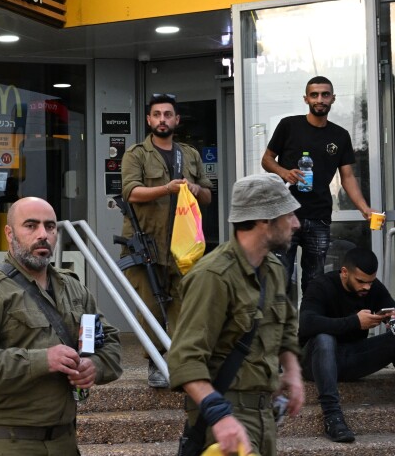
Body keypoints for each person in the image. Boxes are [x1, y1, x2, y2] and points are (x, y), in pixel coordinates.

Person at [0, 197, 122, 456]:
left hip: (65, 439)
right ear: (10, 233)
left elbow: (107, 342)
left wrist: (93, 367)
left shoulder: (74, 289)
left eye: (50, 227)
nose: (43, 234)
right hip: (10, 441)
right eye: (31, 226)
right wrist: (42, 361)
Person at [168, 173, 305, 456]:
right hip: (225, 413)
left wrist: (292, 372)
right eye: (288, 215)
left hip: (264, 413)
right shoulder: (213, 276)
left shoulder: (274, 270)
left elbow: (287, 328)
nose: (296, 223)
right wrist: (220, 416)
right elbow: (184, 358)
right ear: (264, 220)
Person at [119, 92, 212, 388]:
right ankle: (156, 365)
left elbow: (209, 195)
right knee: (150, 308)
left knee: (185, 307)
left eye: (168, 114)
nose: (162, 120)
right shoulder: (136, 153)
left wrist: (195, 189)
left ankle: (184, 363)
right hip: (146, 243)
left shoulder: (190, 154)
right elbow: (130, 193)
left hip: (184, 245)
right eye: (157, 115)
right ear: (149, 120)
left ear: (176, 120)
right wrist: (167, 189)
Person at [262, 76, 375, 296]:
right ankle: (279, 330)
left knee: (315, 281)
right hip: (285, 214)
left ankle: (309, 329)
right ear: (306, 99)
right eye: (314, 95)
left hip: (319, 216)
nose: (320, 99)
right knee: (279, 278)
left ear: (333, 98)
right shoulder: (289, 125)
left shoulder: (340, 136)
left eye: (325, 94)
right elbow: (267, 160)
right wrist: (284, 172)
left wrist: (364, 208)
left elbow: (348, 177)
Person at [298, 246, 395, 443]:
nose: (366, 287)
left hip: (351, 360)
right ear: (344, 272)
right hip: (314, 361)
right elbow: (307, 323)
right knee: (324, 338)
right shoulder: (321, 286)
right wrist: (354, 322)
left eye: (370, 282)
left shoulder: (372, 287)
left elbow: (390, 307)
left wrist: (391, 318)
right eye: (360, 281)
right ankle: (332, 417)